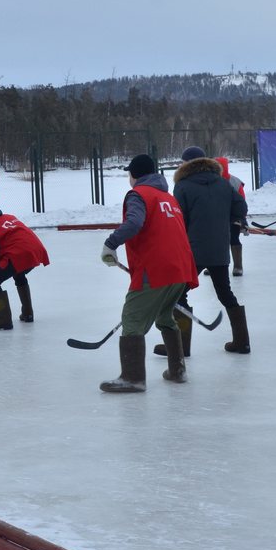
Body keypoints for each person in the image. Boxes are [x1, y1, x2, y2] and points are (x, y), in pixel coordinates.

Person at [98, 154, 199, 392]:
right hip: (180, 268)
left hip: (155, 269)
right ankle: (177, 370)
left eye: (129, 174)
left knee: (132, 319)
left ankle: (133, 378)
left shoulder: (138, 194)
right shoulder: (167, 197)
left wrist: (110, 244)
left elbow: (134, 223)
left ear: (134, 175)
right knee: (165, 317)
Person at [168, 147, 251, 356]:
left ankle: (180, 347)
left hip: (193, 250)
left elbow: (179, 219)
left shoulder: (182, 186)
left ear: (188, 163)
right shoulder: (222, 182)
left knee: (178, 294)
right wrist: (226, 219)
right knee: (225, 292)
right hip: (219, 248)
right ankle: (242, 341)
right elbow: (241, 207)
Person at [0, 200, 50, 330]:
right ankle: (28, 313)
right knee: (19, 274)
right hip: (35, 250)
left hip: (19, 254)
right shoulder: (8, 217)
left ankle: (4, 319)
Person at [213, 154, 247, 276]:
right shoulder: (211, 181)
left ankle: (238, 266)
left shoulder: (235, 182)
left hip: (233, 218)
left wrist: (242, 217)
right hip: (216, 218)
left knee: (234, 239)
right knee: (215, 241)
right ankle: (213, 265)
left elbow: (241, 201)